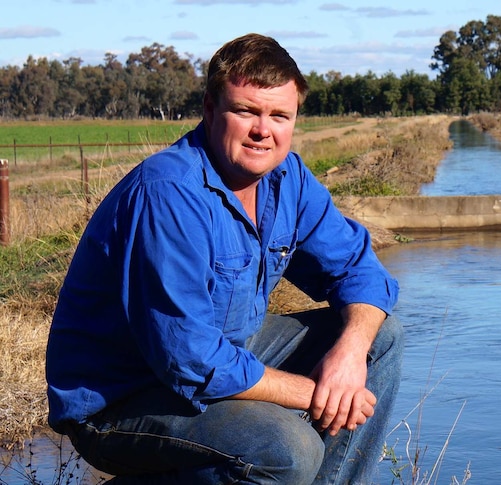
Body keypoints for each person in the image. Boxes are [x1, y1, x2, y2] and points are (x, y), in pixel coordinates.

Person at [45, 33, 403, 485]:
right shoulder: (169, 193)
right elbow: (189, 358)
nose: (263, 130)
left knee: (379, 338)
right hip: (124, 398)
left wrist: (349, 358)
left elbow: (360, 270)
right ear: (211, 110)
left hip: (226, 352)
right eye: (246, 111)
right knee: (287, 448)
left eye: (279, 115)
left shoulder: (287, 178)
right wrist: (317, 394)